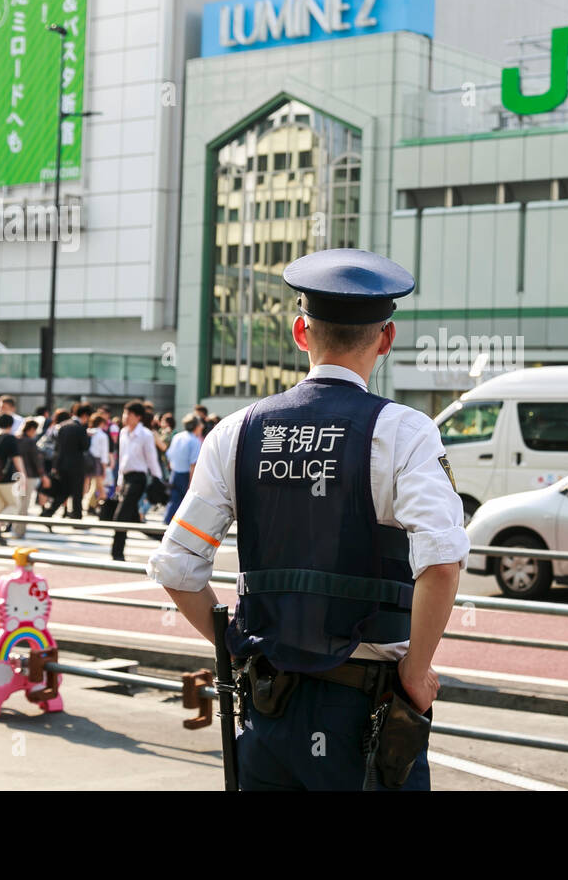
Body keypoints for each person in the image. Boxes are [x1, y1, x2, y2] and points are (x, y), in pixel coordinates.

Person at [146, 249, 466, 791]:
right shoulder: (405, 432)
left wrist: (235, 653)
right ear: (385, 339)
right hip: (369, 712)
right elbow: (442, 561)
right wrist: (415, 670)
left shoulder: (237, 431)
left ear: (300, 331)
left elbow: (177, 569)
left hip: (269, 710)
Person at [109, 400, 162, 560]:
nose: (125, 417)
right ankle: (163, 537)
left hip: (138, 478)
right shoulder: (123, 432)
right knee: (132, 518)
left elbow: (151, 458)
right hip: (125, 478)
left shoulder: (145, 434)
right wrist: (119, 481)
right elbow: (122, 458)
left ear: (138, 417)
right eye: (124, 413)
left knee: (120, 516)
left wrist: (157, 478)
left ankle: (117, 554)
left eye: (129, 414)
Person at [51, 404, 91, 518]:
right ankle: (77, 518)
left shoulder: (62, 426)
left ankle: (47, 513)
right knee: (77, 493)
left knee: (63, 492)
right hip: (77, 466)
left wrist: (56, 465)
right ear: (85, 415)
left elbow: (57, 448)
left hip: (62, 464)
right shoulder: (81, 428)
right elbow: (85, 446)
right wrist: (88, 436)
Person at [163, 413, 202, 525]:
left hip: (174, 473)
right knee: (185, 503)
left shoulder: (177, 436)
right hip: (186, 475)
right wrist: (191, 482)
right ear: (196, 426)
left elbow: (169, 455)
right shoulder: (194, 441)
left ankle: (167, 522)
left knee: (173, 500)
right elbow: (193, 464)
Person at [87, 413, 112, 512]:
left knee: (88, 484)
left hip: (87, 460)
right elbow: (104, 453)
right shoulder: (102, 435)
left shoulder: (88, 432)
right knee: (100, 486)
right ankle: (103, 508)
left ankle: (91, 504)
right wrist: (105, 468)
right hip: (97, 461)